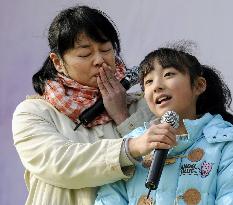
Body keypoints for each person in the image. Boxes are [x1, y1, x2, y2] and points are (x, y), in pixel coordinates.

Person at [12, 6, 178, 205]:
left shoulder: (146, 104)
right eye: (84, 54)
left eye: (106, 50)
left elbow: (163, 171)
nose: (100, 60)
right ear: (57, 62)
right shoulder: (33, 112)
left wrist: (123, 117)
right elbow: (60, 164)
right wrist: (130, 147)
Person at [94, 43, 233, 205]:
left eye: (168, 75)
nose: (157, 86)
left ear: (198, 85)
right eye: (148, 82)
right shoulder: (132, 145)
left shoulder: (228, 142)